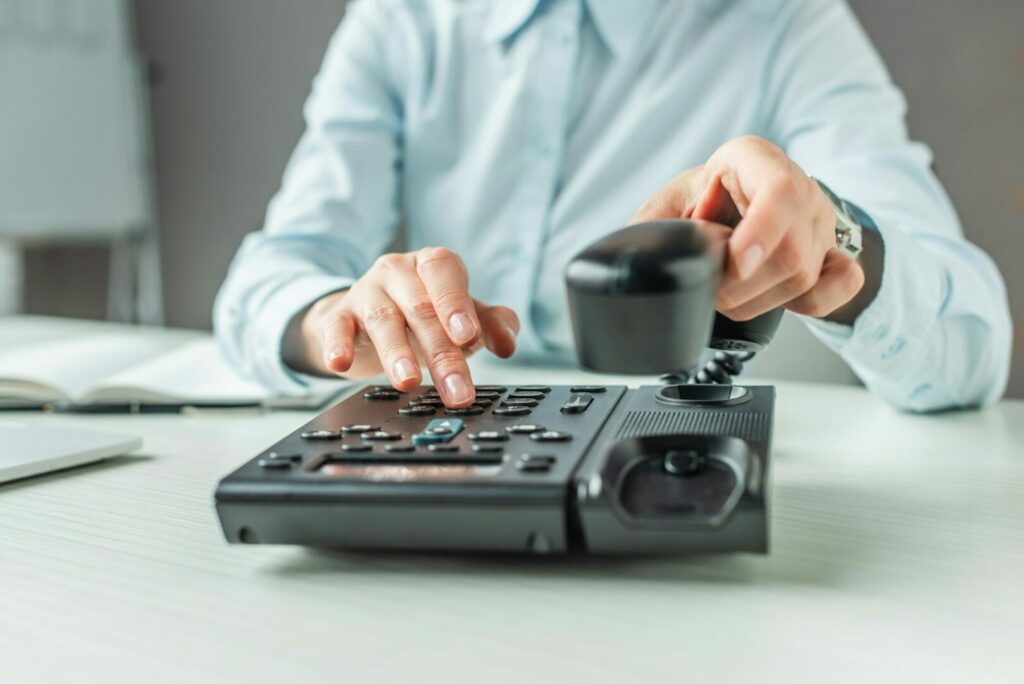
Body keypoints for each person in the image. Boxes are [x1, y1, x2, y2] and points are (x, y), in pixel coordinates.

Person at [215, 0, 1012, 412]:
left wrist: (837, 238)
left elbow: (974, 346)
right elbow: (268, 277)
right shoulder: (404, 18)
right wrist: (337, 321)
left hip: (674, 455)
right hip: (453, 439)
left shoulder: (784, 25)